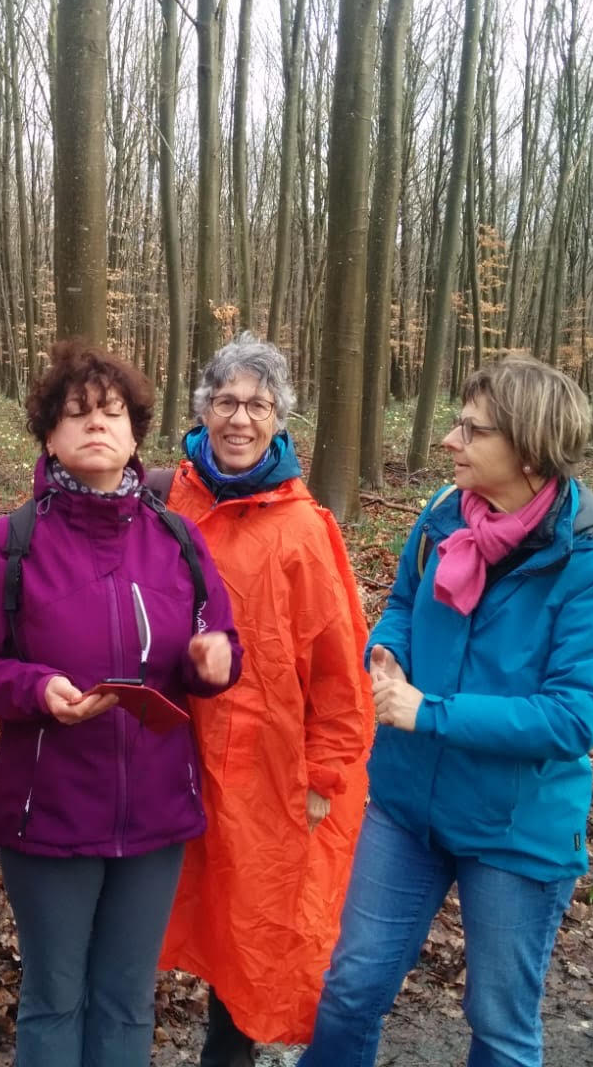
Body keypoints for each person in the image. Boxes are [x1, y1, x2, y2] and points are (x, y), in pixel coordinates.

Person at [301, 354, 593, 1067]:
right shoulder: (443, 516)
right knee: (351, 990)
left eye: (471, 429)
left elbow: (572, 719)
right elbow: (404, 604)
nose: (449, 440)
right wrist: (388, 652)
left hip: (516, 828)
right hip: (406, 806)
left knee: (499, 1026)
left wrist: (428, 711)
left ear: (529, 450)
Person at [0, 340, 243, 1067]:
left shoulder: (178, 539)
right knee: (55, 997)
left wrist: (215, 662)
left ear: (136, 434)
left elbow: (220, 639)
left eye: (112, 412)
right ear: (49, 435)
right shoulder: (8, 545)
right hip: (48, 810)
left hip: (156, 812)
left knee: (127, 998)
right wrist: (34, 689)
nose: (97, 424)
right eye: (76, 413)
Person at [156, 333, 375, 1065]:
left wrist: (325, 770)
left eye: (258, 405)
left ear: (279, 418)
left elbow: (339, 666)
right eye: (226, 401)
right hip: (170, 744)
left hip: (263, 761)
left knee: (249, 917)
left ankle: (229, 1052)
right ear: (203, 410)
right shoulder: (166, 501)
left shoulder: (305, 528)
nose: (240, 419)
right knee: (172, 906)